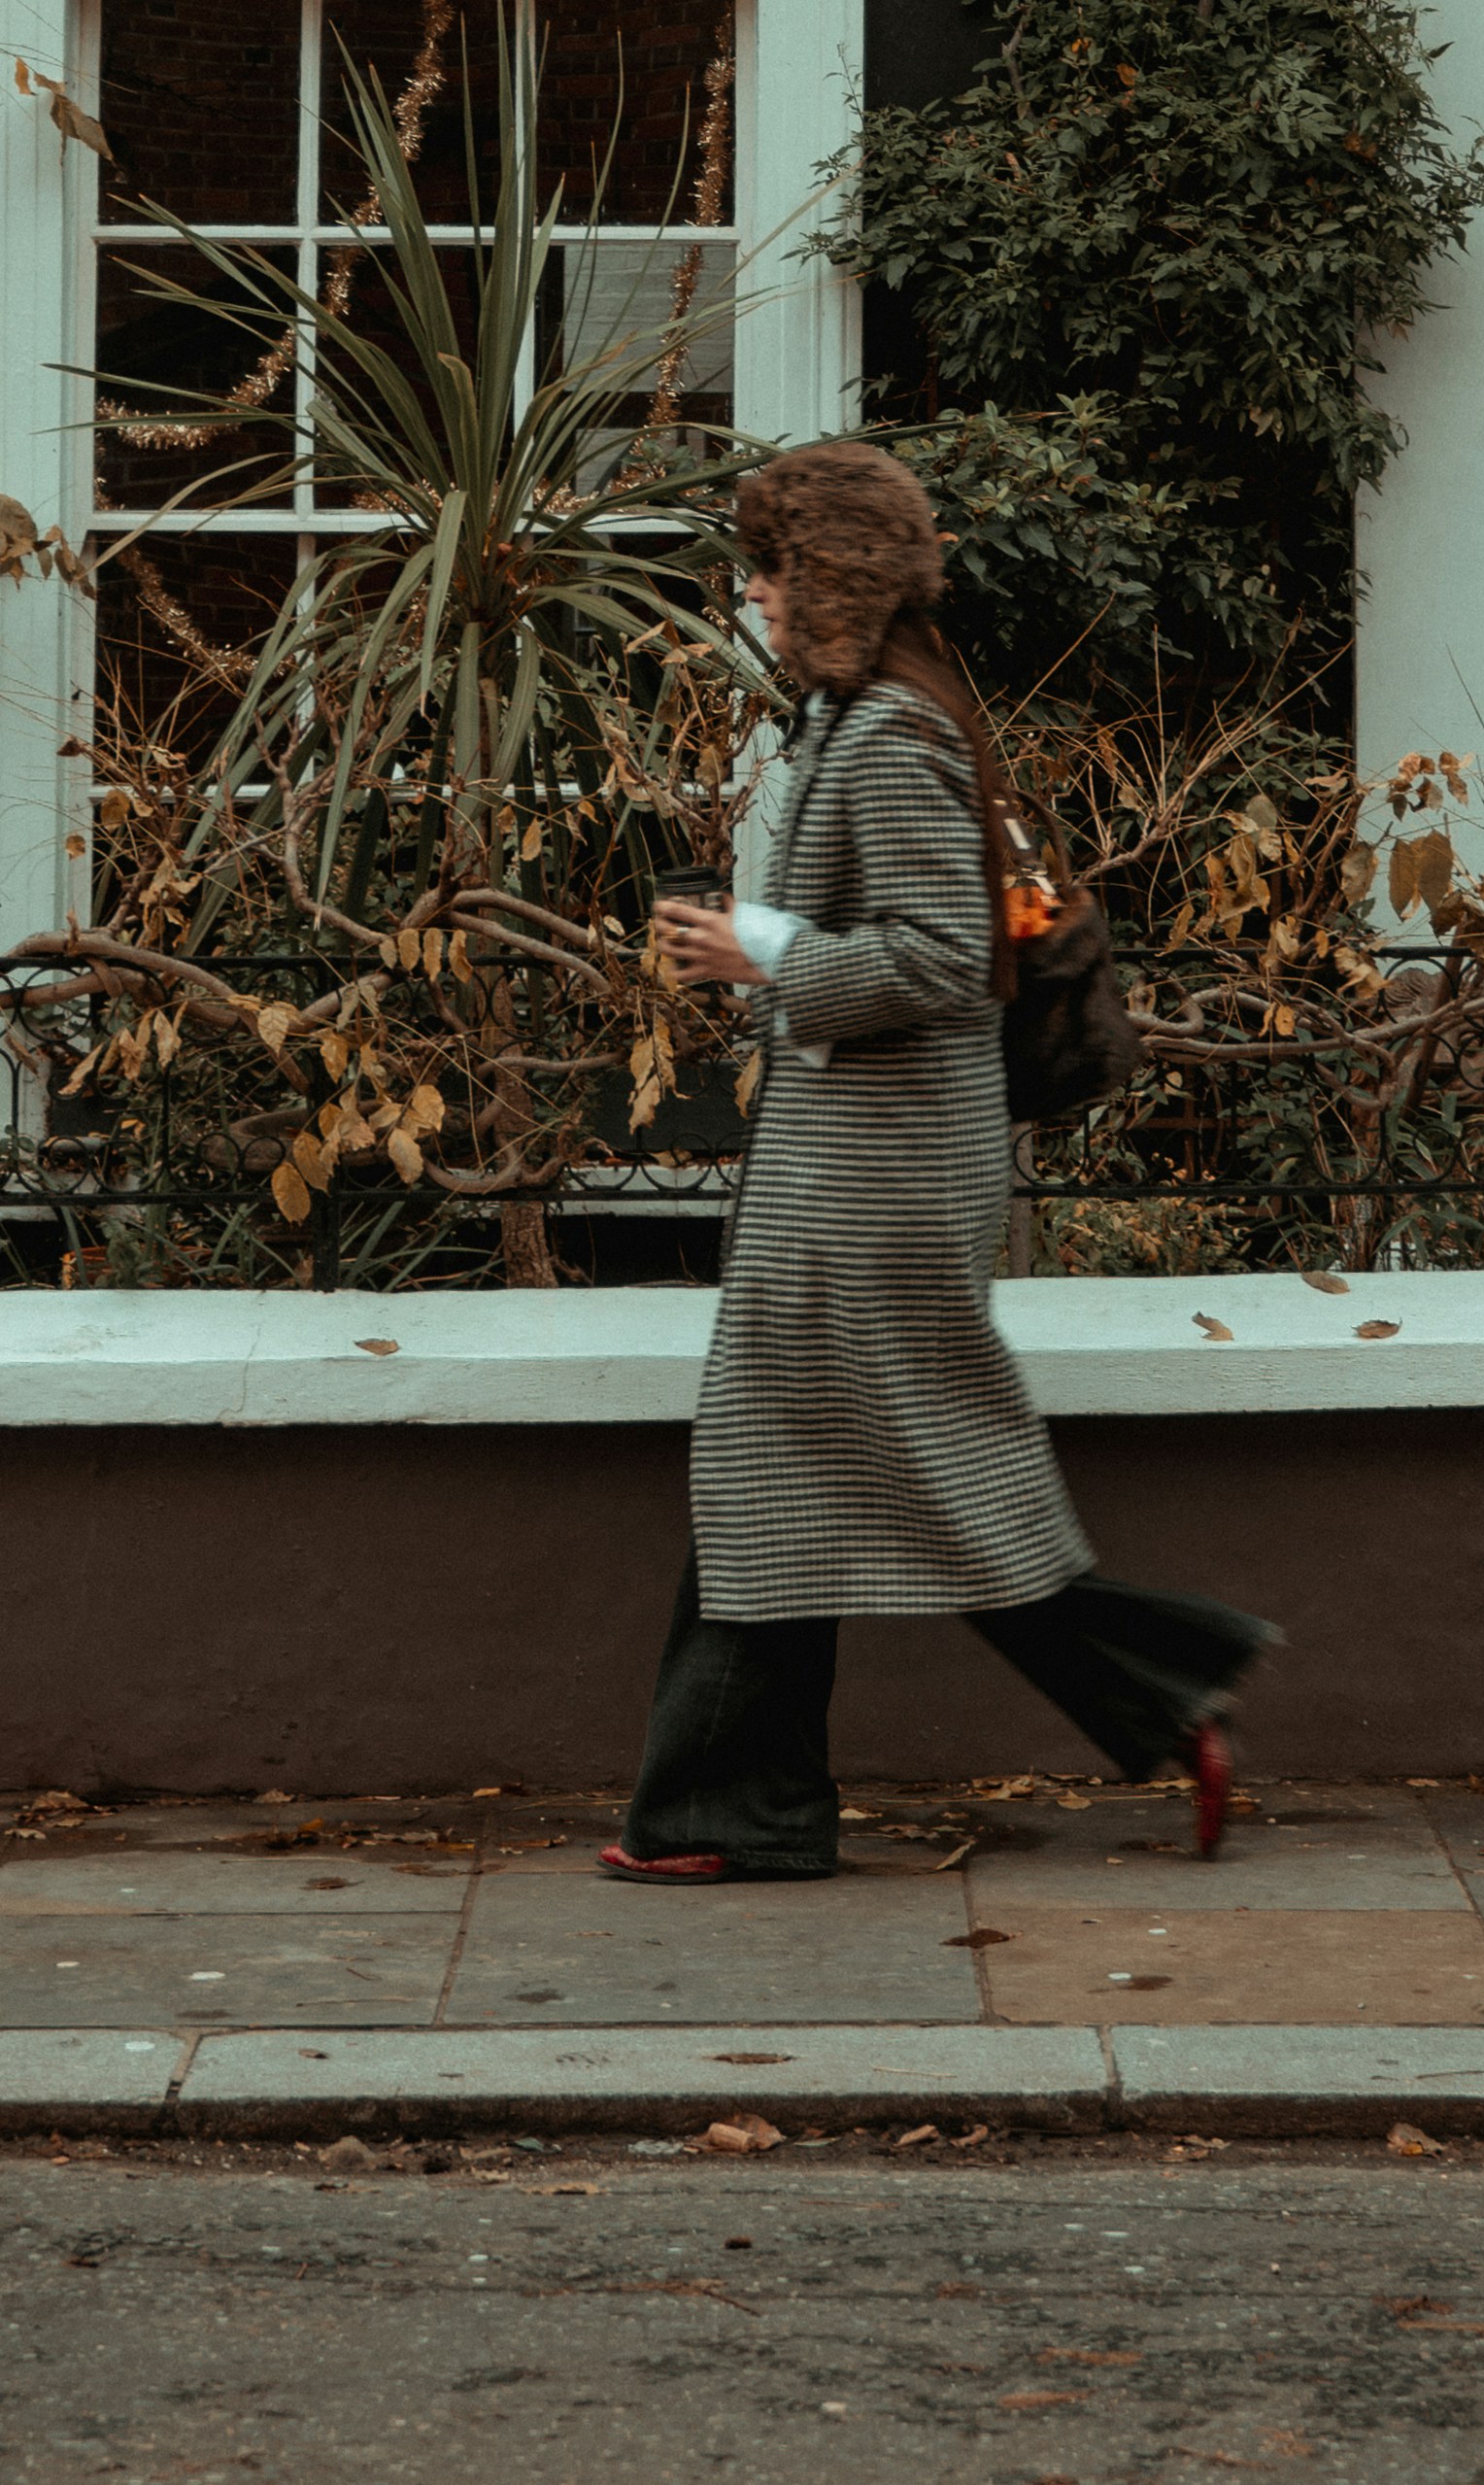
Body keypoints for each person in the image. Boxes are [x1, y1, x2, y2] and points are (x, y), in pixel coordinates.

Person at [602, 437, 1274, 1884]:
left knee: (858, 1472)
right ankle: (739, 1806)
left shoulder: (893, 732)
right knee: (785, 1471)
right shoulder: (868, 717)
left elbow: (938, 958)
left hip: (876, 1183)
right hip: (860, 1168)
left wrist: (756, 946)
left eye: (773, 567)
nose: (757, 594)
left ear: (828, 577)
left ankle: (1161, 1687)